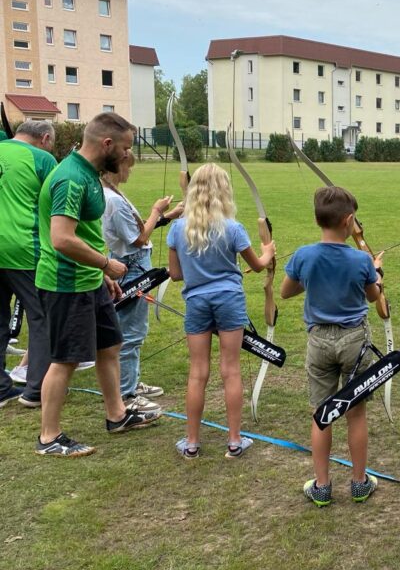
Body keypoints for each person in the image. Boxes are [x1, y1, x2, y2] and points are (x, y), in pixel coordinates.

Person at [35, 114, 162, 456]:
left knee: (110, 346)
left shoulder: (90, 175)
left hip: (89, 279)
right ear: (107, 144)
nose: (127, 155)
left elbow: (84, 235)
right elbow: (61, 239)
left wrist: (100, 275)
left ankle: (117, 415)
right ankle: (48, 437)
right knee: (65, 359)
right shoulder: (71, 179)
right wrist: (106, 264)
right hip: (65, 283)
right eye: (125, 148)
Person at [281, 186, 383, 507]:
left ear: (317, 220)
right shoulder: (361, 259)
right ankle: (359, 484)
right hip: (355, 340)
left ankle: (322, 487)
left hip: (319, 341)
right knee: (356, 412)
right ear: (349, 221)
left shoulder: (304, 255)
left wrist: (312, 278)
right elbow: (373, 296)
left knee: (321, 413)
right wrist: (376, 273)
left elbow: (286, 291)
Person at [166, 163, 274, 459]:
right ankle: (234, 441)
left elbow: (175, 274)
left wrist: (198, 269)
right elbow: (257, 265)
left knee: (197, 372)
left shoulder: (178, 229)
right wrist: (268, 252)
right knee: (231, 369)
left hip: (197, 302)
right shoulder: (233, 228)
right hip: (228, 299)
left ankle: (191, 443)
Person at [102, 151, 183, 413]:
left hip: (133, 266)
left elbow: (137, 232)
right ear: (117, 166)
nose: (131, 170)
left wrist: (168, 216)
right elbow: (138, 239)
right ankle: (126, 394)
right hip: (131, 268)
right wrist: (157, 210)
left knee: (134, 330)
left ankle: (131, 383)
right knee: (130, 333)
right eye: (128, 166)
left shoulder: (113, 194)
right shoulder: (113, 200)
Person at [0, 120, 57, 409]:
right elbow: (57, 205)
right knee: (42, 317)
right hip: (24, 248)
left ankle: (2, 388)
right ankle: (37, 389)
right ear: (44, 138)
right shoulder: (43, 159)